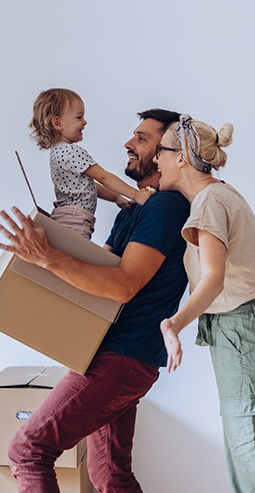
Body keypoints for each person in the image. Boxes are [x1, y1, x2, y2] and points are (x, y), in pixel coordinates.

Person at [0, 108, 190, 493]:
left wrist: (47, 257)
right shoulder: (135, 209)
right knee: (110, 475)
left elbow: (122, 287)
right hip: (116, 356)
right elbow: (95, 277)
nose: (127, 144)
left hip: (121, 358)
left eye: (141, 138)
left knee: (29, 450)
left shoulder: (168, 207)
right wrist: (46, 249)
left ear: (167, 152)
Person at [155, 114, 255, 493]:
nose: (156, 161)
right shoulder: (222, 193)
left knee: (244, 432)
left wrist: (173, 324)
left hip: (237, 329)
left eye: (162, 152)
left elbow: (213, 278)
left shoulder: (209, 202)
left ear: (181, 156)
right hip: (240, 327)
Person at [29, 88, 152, 239]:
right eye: (79, 117)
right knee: (75, 257)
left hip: (66, 217)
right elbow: (104, 177)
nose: (84, 122)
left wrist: (115, 197)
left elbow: (88, 185)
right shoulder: (72, 152)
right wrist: (136, 195)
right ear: (57, 123)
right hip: (76, 220)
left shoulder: (57, 153)